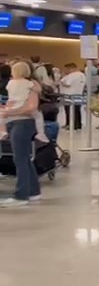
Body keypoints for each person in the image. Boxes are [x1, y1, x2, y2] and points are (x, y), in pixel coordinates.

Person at [0, 62, 45, 208]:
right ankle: (33, 191)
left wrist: (10, 111)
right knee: (24, 158)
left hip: (22, 123)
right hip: (15, 122)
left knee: (20, 159)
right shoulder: (27, 85)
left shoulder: (26, 85)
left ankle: (21, 195)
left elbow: (31, 108)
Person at [58, 62, 85, 130]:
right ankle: (78, 124)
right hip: (79, 94)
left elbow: (67, 83)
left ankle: (70, 124)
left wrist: (61, 81)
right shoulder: (82, 75)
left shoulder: (72, 75)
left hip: (69, 95)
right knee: (77, 110)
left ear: (71, 68)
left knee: (69, 111)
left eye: (67, 69)